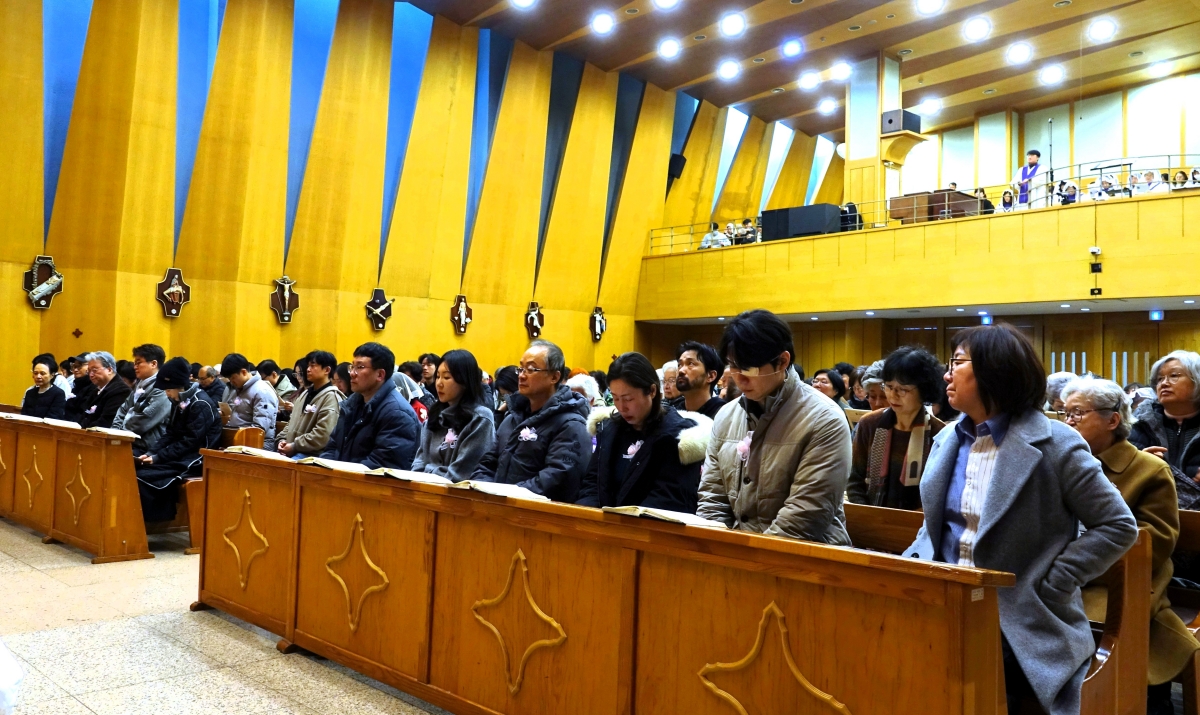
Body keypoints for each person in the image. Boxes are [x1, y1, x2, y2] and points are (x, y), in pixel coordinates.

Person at [904, 323, 1137, 715]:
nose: (946, 375)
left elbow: (1117, 525)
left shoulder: (1057, 443)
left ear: (994, 371)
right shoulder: (947, 438)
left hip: (1018, 613)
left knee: (972, 677)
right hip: (941, 598)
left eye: (957, 363)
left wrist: (1054, 582)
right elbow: (936, 524)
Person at [1061, 375, 1200, 714]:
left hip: (1119, 582)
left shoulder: (1148, 469)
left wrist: (1074, 564)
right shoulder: (1060, 463)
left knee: (1070, 619)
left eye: (1077, 413)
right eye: (1064, 413)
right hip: (1066, 577)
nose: (1068, 421)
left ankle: (1120, 699)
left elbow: (1155, 545)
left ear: (1112, 420)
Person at [697, 310, 853, 544]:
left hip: (806, 554)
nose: (739, 378)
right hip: (736, 553)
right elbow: (712, 498)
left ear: (782, 361)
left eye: (749, 368)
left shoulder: (824, 419)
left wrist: (750, 557)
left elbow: (805, 515)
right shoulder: (727, 416)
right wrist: (716, 547)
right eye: (733, 366)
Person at [578, 352, 713, 512]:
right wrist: (589, 515)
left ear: (652, 391)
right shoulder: (609, 430)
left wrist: (621, 521)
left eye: (628, 399)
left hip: (646, 524)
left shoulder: (677, 437)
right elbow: (592, 483)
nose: (621, 407)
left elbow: (669, 499)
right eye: (615, 398)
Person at [472, 340, 591, 502]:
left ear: (554, 377)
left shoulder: (571, 424)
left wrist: (506, 495)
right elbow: (488, 461)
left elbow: (558, 478)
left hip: (536, 511)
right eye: (520, 368)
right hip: (498, 506)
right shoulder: (512, 418)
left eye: (531, 369)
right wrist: (483, 489)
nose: (521, 376)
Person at [847, 346, 946, 509]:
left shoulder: (940, 433)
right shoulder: (869, 424)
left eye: (903, 389)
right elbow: (855, 481)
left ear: (924, 390)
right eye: (889, 387)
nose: (893, 395)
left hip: (917, 521)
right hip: (870, 517)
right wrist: (870, 516)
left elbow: (938, 492)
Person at [134, 357, 222, 522]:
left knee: (143, 476)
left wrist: (159, 457)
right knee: (136, 468)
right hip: (181, 455)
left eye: (168, 389)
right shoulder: (180, 401)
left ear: (180, 386)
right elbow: (171, 433)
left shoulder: (200, 403)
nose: (167, 394)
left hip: (196, 459)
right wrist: (152, 452)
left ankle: (153, 523)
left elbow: (190, 442)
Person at [321, 343, 420, 469]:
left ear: (380, 375)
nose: (352, 373)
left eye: (360, 367)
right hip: (342, 477)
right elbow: (333, 447)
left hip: (365, 480)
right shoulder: (351, 404)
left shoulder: (397, 412)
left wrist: (339, 475)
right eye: (352, 367)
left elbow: (381, 466)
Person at [411, 350, 496, 482]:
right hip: (424, 488)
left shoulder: (480, 418)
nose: (439, 383)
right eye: (437, 376)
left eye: (446, 377)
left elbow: (461, 473)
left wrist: (429, 471)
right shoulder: (434, 415)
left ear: (465, 381)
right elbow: (419, 463)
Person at [1130, 350, 1200, 494]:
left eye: (1174, 376)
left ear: (1197, 380)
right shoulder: (1137, 424)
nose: (1164, 383)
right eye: (1160, 379)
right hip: (1152, 505)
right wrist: (1138, 464)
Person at [276, 351, 344, 458]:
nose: (308, 369)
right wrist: (282, 440)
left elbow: (323, 435)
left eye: (313, 366)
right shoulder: (304, 394)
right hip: (293, 449)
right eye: (308, 366)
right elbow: (291, 422)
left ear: (327, 370)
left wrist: (295, 446)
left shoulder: (332, 397)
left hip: (313, 455)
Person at [111, 344, 171, 454]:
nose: (135, 367)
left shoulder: (162, 388)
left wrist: (119, 434)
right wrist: (115, 431)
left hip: (145, 446)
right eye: (135, 363)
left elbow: (144, 420)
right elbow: (123, 409)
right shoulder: (140, 384)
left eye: (138, 363)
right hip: (127, 438)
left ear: (153, 364)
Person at [220, 353, 279, 441]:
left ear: (244, 372)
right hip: (236, 438)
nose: (231, 382)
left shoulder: (262, 391)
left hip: (258, 443)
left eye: (233, 378)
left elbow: (259, 428)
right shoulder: (237, 389)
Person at [78, 351, 133, 429]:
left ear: (109, 370)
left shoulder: (121, 390)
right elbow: (85, 415)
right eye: (89, 371)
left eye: (94, 370)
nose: (91, 375)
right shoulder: (96, 389)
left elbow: (107, 421)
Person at [671, 341, 726, 419]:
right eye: (680, 365)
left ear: (711, 376)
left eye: (690, 364)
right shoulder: (673, 413)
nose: (681, 370)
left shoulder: (723, 415)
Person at [21, 355, 66, 419]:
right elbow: (24, 415)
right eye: (35, 373)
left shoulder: (58, 393)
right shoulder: (30, 393)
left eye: (42, 373)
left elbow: (54, 417)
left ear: (52, 375)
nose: (38, 376)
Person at [64, 355, 97, 423]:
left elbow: (83, 412)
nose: (75, 370)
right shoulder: (77, 385)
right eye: (74, 366)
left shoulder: (94, 387)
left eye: (79, 366)